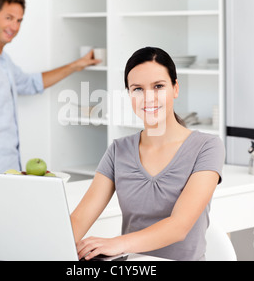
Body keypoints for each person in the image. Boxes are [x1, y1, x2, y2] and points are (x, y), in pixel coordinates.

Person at [71, 47, 225, 261]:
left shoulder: (207, 147)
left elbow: (178, 226)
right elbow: (79, 219)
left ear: (175, 88)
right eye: (137, 89)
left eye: (158, 86)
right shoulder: (118, 151)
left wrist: (117, 243)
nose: (148, 98)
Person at [0, 0, 100, 193]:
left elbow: (30, 83)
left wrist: (77, 65)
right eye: (9, 18)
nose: (14, 27)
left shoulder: (1, 60)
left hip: (4, 173)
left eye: (19, 20)